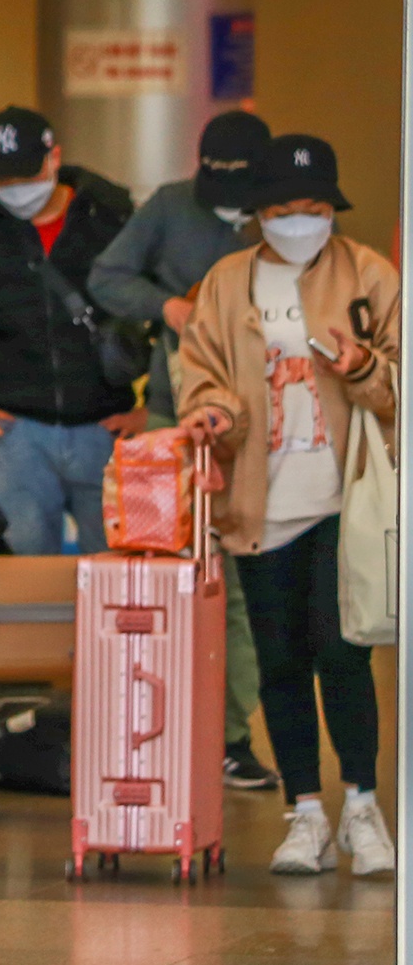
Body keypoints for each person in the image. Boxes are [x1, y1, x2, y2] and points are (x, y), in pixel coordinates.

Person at [178, 134, 399, 879]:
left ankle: (362, 806)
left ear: (331, 208)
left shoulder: (369, 274)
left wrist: (365, 368)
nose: (298, 220)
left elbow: (399, 389)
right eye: (283, 208)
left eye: (312, 207)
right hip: (259, 504)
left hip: (345, 498)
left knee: (343, 654)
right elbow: (203, 375)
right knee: (280, 662)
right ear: (259, 212)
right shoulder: (227, 281)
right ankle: (305, 811)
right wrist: (213, 416)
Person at [88, 110, 278, 792]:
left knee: (246, 589)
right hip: (179, 418)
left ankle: (232, 734)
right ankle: (161, 726)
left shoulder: (283, 213)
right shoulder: (171, 206)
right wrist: (166, 307)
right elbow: (106, 276)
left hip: (263, 426)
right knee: (177, 574)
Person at [0, 106, 140, 554]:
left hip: (105, 425)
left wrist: (156, 411)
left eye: (25, 177)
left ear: (54, 159)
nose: (16, 191)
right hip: (13, 431)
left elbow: (162, 308)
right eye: (3, 182)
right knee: (26, 566)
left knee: (114, 564)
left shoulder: (112, 217)